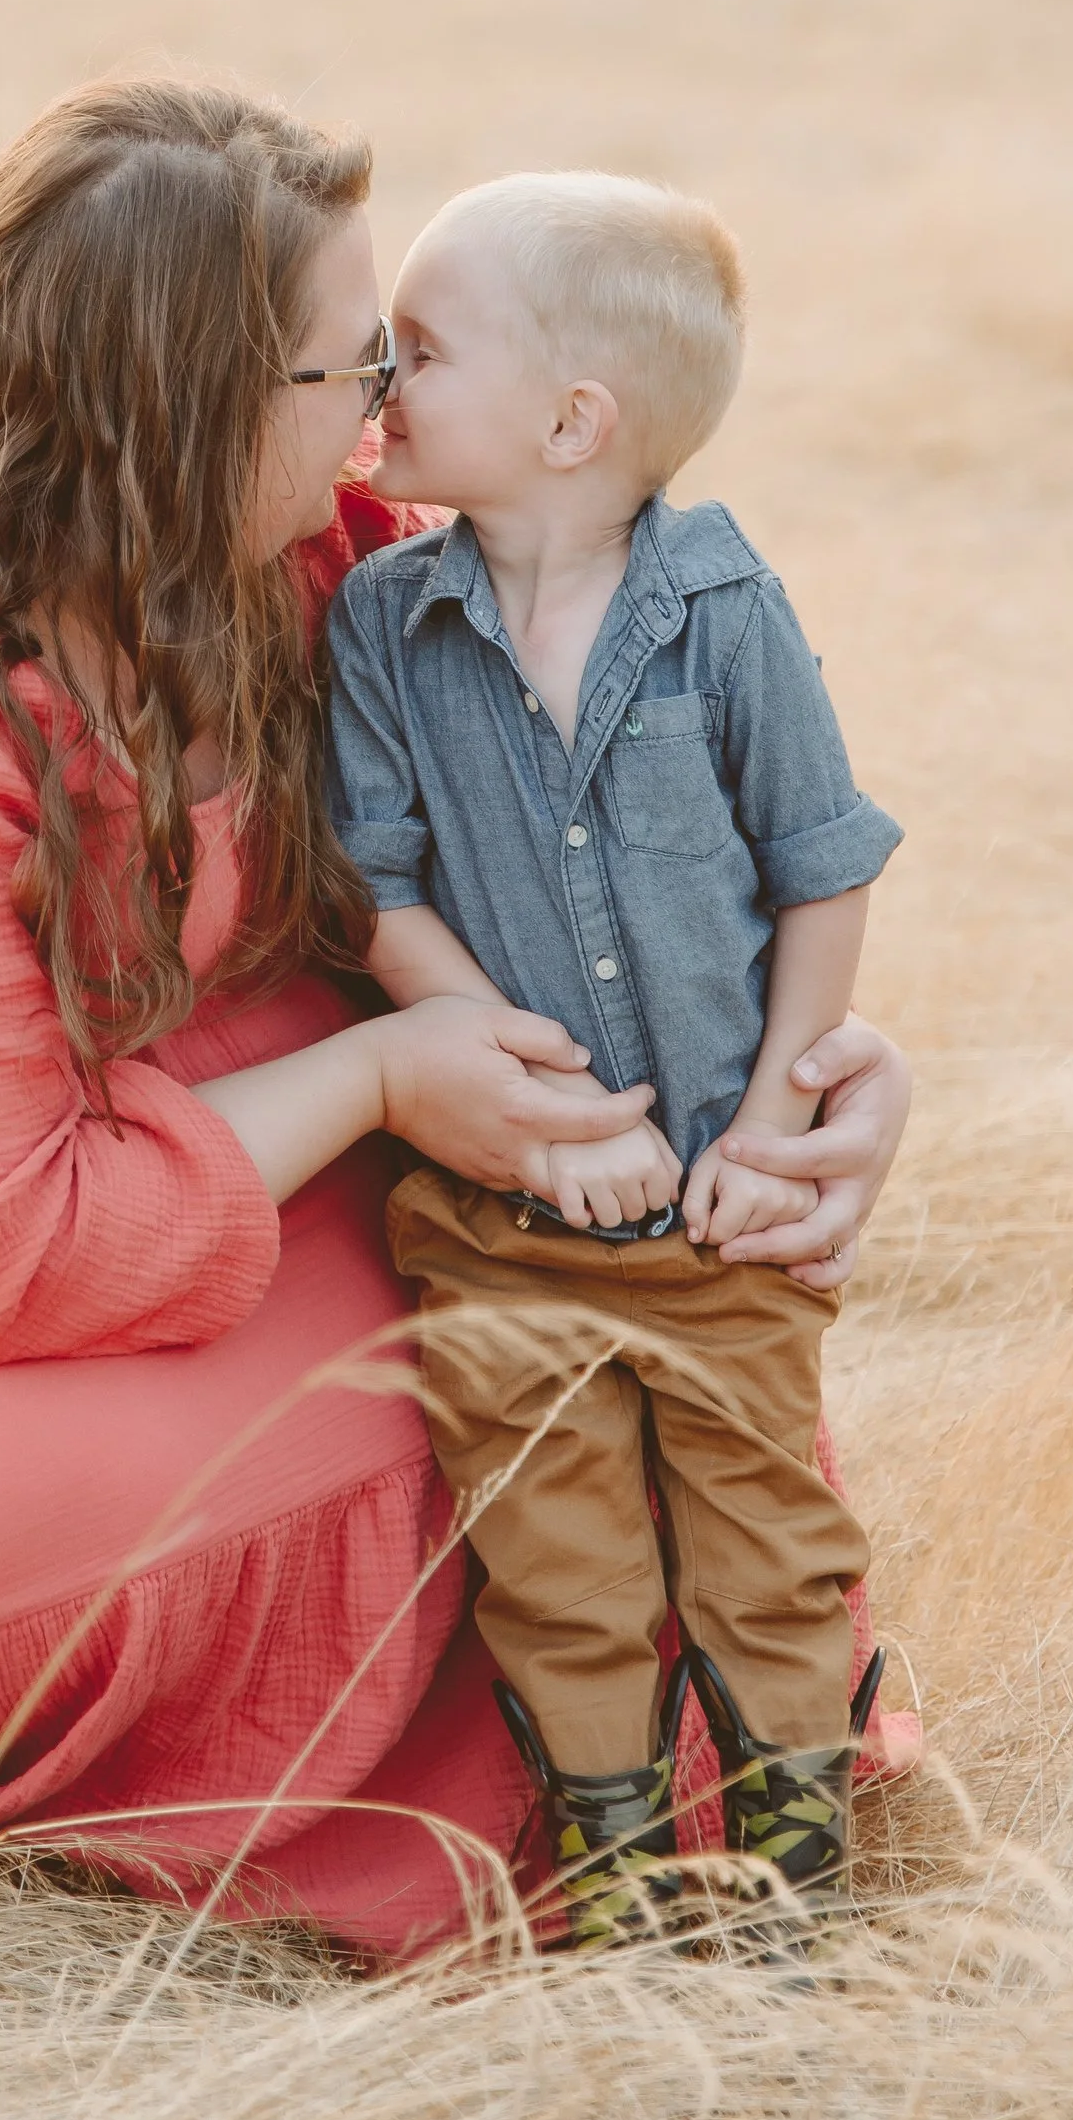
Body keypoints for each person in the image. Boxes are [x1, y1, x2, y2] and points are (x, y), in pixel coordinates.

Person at [0, 79, 914, 1968]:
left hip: (187, 1120)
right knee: (77, 1520)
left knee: (579, 1355)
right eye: (346, 365)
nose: (383, 404)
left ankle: (644, 1822)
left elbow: (604, 893)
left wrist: (812, 1088)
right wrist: (388, 1071)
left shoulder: (330, 554)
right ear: (188, 410)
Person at [326, 171, 903, 1952]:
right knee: (560, 1562)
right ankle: (624, 1873)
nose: (375, 380)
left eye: (417, 350)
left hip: (723, 1223)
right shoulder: (383, 623)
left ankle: (789, 1885)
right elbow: (375, 891)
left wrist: (772, 1114)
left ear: (576, 423)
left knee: (767, 1543)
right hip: (506, 1217)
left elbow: (822, 866)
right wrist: (540, 1104)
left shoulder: (723, 616)